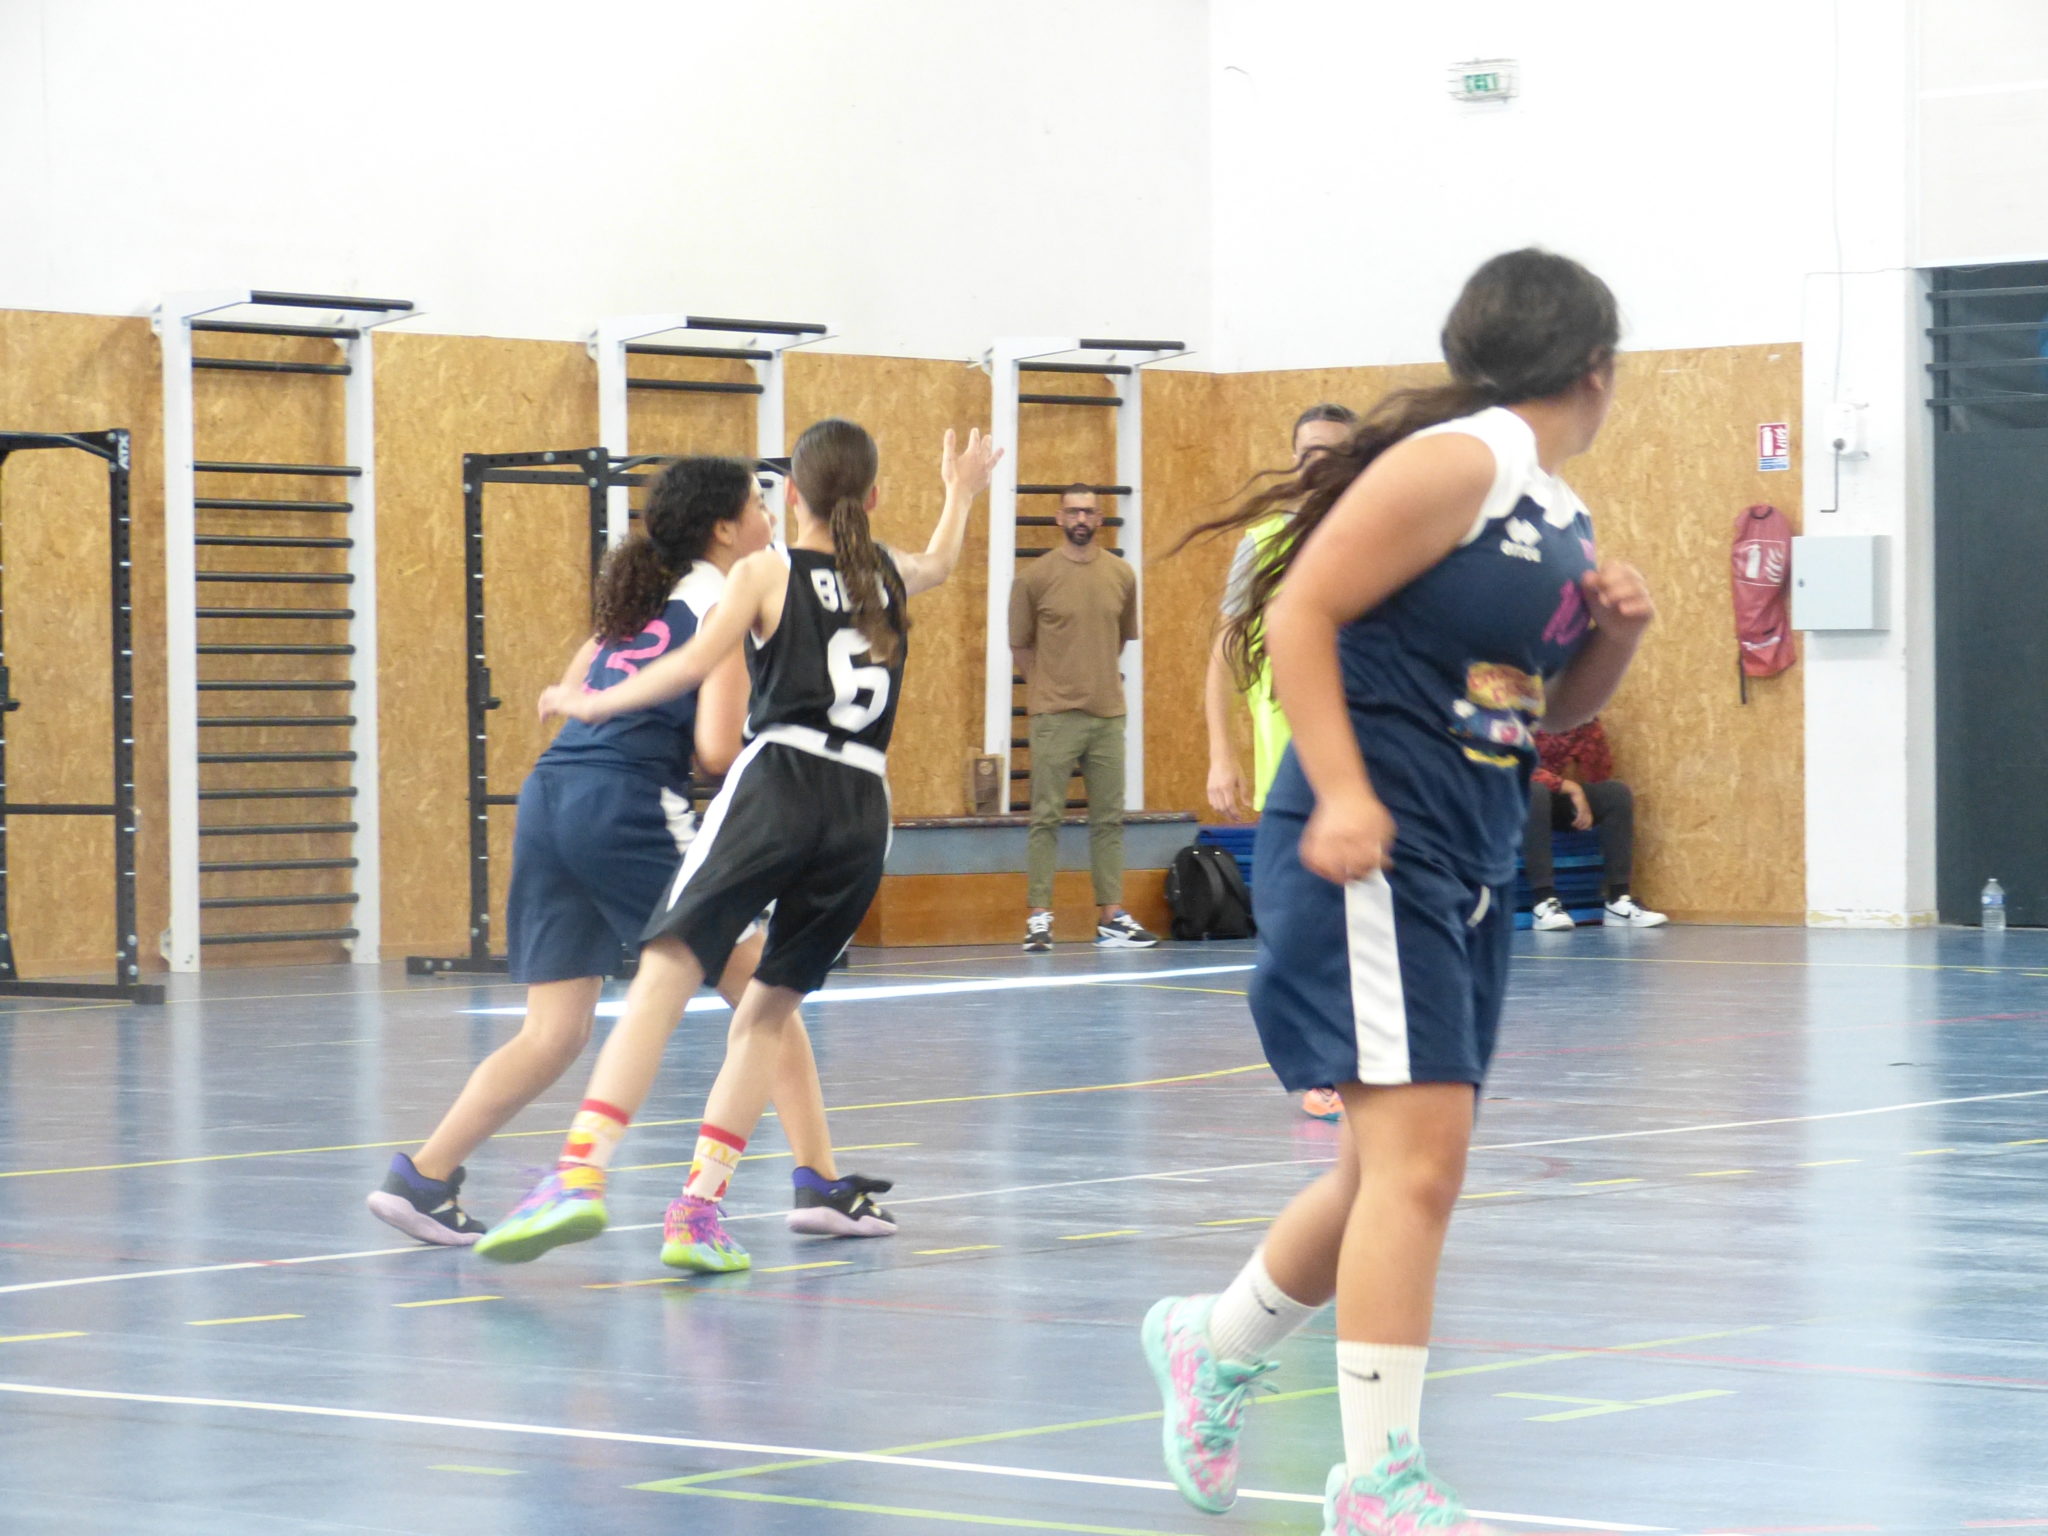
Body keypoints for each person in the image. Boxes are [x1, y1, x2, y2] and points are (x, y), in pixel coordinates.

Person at [1143, 249, 1652, 1533]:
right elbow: (1301, 614)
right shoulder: (1459, 460)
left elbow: (1538, 709)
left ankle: (1211, 1341)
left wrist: (1614, 637)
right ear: (1595, 367)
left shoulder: (1553, 508)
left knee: (1388, 1169)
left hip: (1466, 852)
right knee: (1418, 1170)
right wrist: (1342, 790)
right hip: (1373, 847)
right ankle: (1377, 1483)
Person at [474, 421, 999, 1274]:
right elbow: (939, 561)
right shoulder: (886, 573)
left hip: (779, 784)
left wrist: (593, 702)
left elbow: (689, 668)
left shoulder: (765, 572)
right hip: (862, 807)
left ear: (792, 494)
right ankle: (697, 1212)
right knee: (766, 1014)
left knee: (665, 972)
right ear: (871, 498)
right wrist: (962, 491)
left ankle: (580, 1172)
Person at [367, 457, 894, 1247]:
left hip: (553, 794)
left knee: (554, 1031)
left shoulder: (645, 600)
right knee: (765, 993)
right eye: (757, 506)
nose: (770, 519)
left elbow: (579, 688)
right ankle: (818, 1181)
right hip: (630, 804)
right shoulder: (729, 598)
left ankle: (424, 1175)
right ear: (726, 528)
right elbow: (716, 749)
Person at [1205, 403, 1360, 1123]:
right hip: (1287, 775)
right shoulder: (1264, 543)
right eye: (1306, 453)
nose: (1316, 464)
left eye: (1331, 451)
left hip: (1363, 772)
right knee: (1293, 934)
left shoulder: (1379, 537)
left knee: (1358, 934)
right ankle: (1316, 1069)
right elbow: (1224, 654)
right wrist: (1222, 752)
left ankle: (1358, 1067)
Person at [1010, 485, 1156, 953]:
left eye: (1089, 511)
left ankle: (1111, 917)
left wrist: (1094, 680)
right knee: (1045, 817)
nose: (1080, 518)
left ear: (1099, 519)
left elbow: (1119, 638)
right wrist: (1047, 688)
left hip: (1108, 714)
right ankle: (1038, 917)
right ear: (1058, 518)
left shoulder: (1122, 575)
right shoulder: (1033, 578)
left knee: (1108, 819)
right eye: (1073, 511)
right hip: (1054, 716)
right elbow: (1020, 645)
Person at [1524, 717, 1666, 929]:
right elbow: (1516, 768)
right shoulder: (1515, 711)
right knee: (1535, 792)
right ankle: (1543, 901)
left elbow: (1598, 775)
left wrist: (1589, 727)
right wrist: (1571, 788)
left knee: (1615, 793)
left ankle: (1618, 900)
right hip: (1504, 800)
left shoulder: (1571, 714)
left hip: (1549, 798)